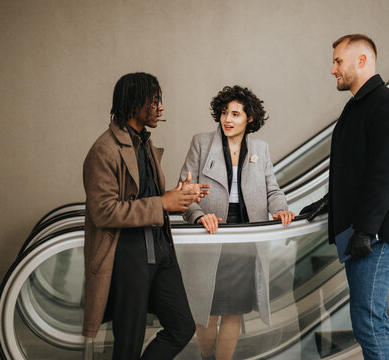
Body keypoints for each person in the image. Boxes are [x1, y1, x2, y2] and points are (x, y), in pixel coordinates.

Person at [301, 34, 389, 359]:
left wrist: (366, 230)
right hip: (366, 231)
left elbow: (385, 172)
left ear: (362, 60)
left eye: (338, 61)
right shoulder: (359, 106)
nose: (332, 70)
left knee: (368, 321)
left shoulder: (387, 105)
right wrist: (330, 201)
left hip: (378, 235)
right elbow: (356, 170)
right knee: (366, 320)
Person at [82, 72, 209, 359]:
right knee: (129, 342)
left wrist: (181, 195)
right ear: (133, 103)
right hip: (129, 255)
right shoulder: (104, 150)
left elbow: (150, 196)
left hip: (160, 249)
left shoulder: (145, 143)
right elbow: (103, 212)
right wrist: (164, 203)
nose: (161, 107)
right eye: (154, 101)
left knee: (182, 326)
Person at [177, 85, 295, 360]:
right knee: (209, 309)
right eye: (223, 113)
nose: (227, 119)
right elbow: (184, 191)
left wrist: (280, 209)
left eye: (235, 114)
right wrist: (198, 215)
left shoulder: (260, 148)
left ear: (249, 118)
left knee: (234, 310)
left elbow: (272, 190)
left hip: (245, 237)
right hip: (210, 233)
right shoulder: (201, 143)